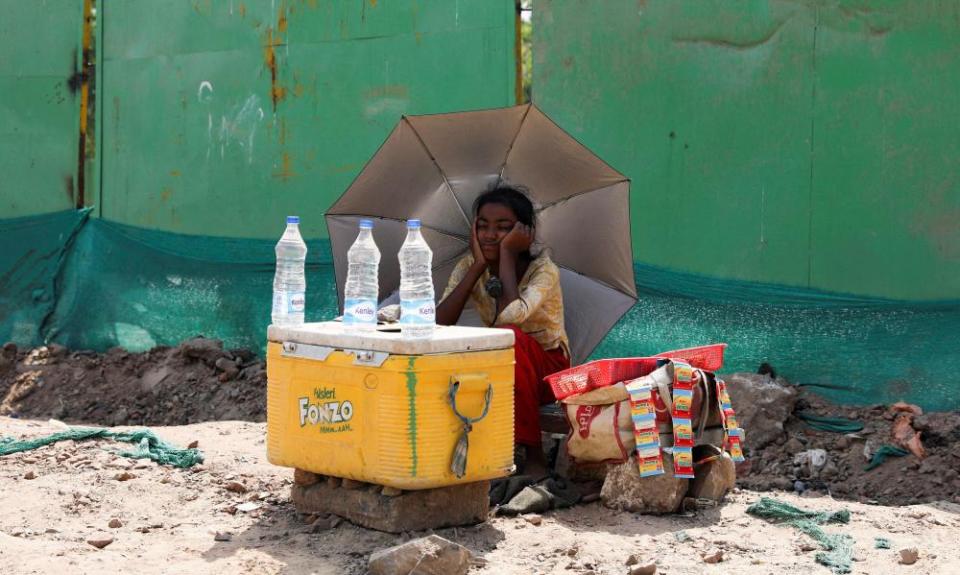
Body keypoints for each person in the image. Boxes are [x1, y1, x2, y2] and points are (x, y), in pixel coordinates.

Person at [437, 185, 569, 479]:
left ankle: (533, 456)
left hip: (548, 372)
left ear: (525, 233)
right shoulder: (470, 266)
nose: (490, 234)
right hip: (503, 364)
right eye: (482, 226)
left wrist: (507, 255)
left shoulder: (543, 270)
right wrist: (478, 267)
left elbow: (512, 316)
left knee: (510, 336)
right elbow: (438, 323)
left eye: (503, 228)